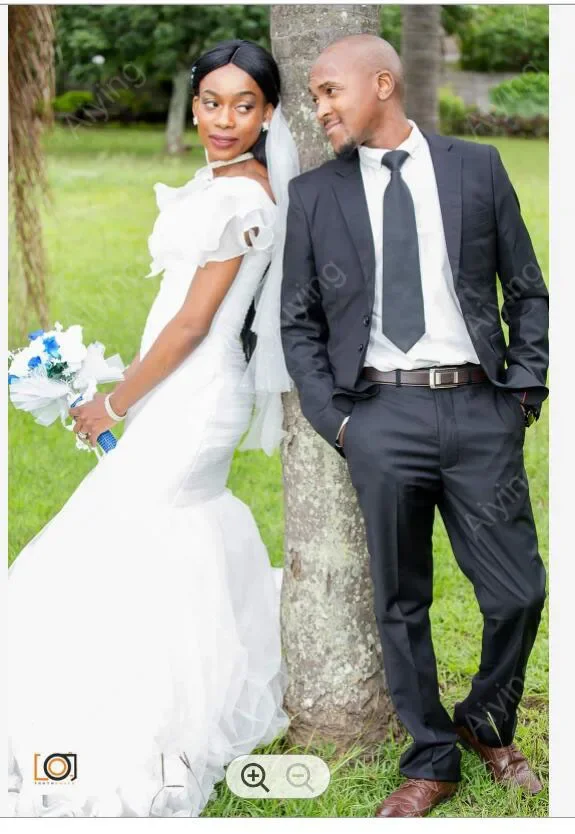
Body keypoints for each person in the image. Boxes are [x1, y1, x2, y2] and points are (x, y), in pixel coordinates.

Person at [8, 39, 298, 817]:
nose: (224, 119)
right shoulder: (216, 184)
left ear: (269, 112)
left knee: (126, 525)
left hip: (197, 398)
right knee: (136, 534)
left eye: (245, 105)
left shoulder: (246, 201)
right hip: (169, 386)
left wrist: (114, 405)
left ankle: (143, 717)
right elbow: (170, 313)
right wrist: (109, 377)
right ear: (195, 102)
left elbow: (196, 326)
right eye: (211, 102)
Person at [280, 34, 548, 818]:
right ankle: (431, 755)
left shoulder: (476, 168)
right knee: (401, 600)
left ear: (383, 82)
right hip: (379, 415)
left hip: (477, 408)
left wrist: (521, 393)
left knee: (518, 592)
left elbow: (526, 289)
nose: (319, 108)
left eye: (330, 91)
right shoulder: (314, 195)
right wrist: (339, 423)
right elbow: (297, 322)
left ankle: (487, 719)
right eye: (314, 96)